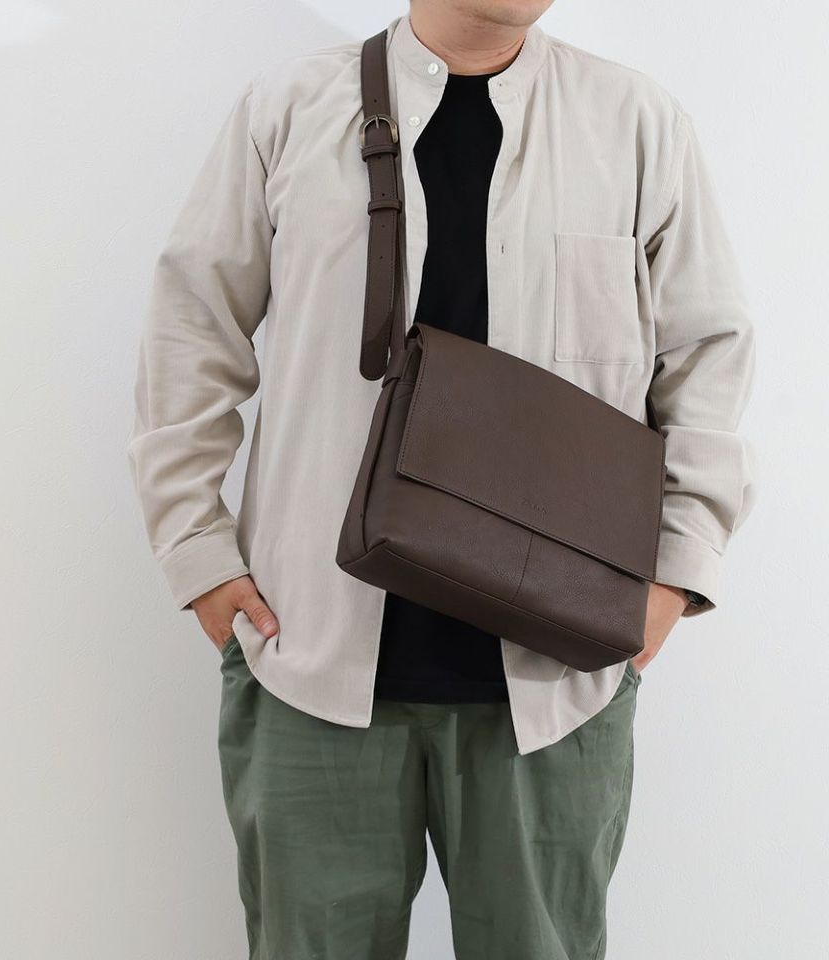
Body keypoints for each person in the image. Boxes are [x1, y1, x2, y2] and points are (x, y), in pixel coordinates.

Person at [126, 2, 756, 957]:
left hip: (553, 679)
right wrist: (198, 552)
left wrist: (675, 573)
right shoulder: (287, 109)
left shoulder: (634, 122)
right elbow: (192, 324)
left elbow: (708, 353)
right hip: (311, 655)